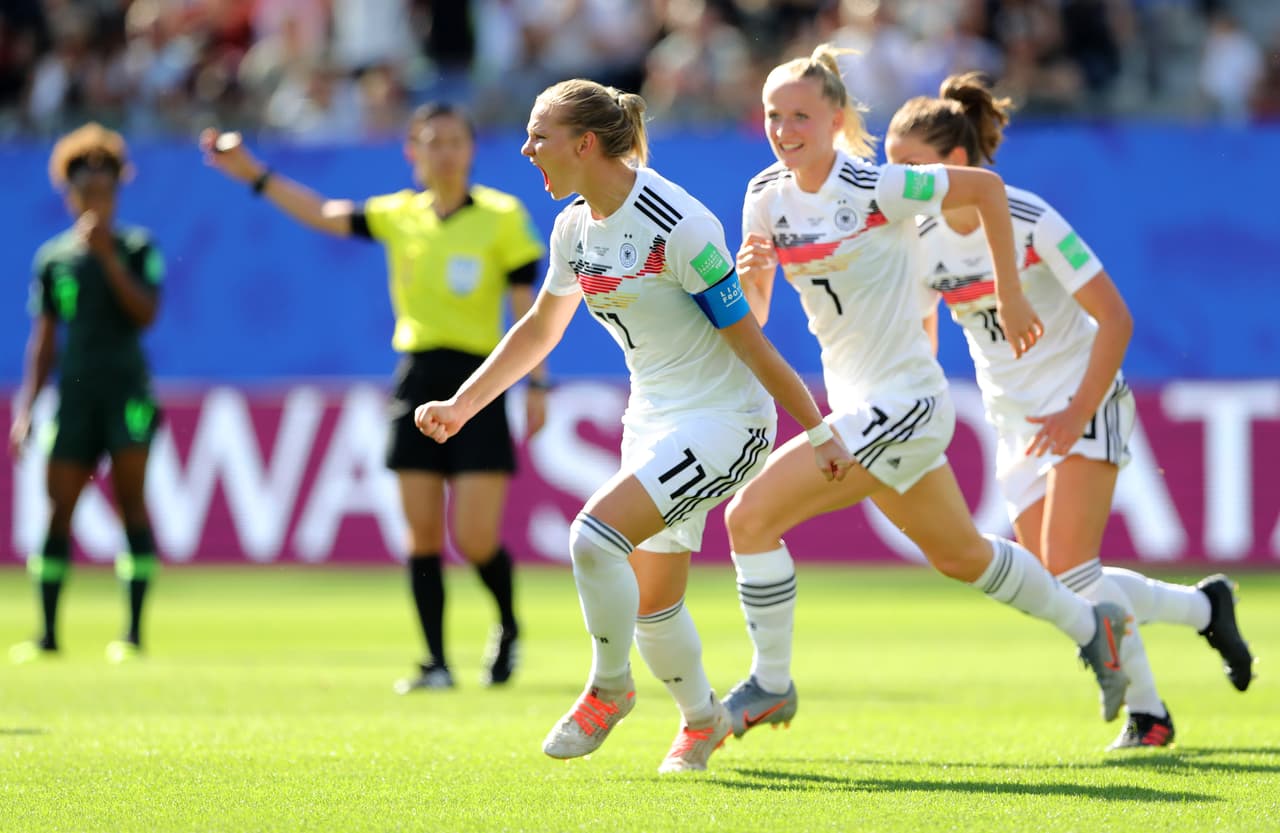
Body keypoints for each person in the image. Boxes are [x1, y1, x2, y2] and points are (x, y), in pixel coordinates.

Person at [414, 79, 853, 773]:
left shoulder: (676, 222)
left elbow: (751, 342)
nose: (526, 150)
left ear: (584, 144)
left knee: (593, 538)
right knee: (653, 607)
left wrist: (819, 432)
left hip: (726, 421)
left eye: (539, 136)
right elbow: (539, 329)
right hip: (651, 419)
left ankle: (608, 689)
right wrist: (464, 404)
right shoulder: (571, 227)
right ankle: (702, 721)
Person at [720, 45, 1134, 740]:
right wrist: (747, 277)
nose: (784, 128)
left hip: (905, 401)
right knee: (963, 555)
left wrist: (1008, 288)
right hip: (859, 403)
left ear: (837, 118)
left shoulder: (878, 185)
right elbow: (755, 315)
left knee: (748, 517)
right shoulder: (764, 197)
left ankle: (770, 683)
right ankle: (1093, 626)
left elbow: (988, 192)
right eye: (772, 115)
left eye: (800, 115)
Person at [883, 72, 1254, 749]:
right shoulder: (917, 236)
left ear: (957, 165)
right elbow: (920, 325)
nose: (895, 181)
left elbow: (1116, 320)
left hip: (1083, 397)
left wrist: (1077, 409)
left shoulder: (1029, 218)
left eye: (909, 166)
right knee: (1058, 579)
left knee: (1074, 566)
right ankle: (1205, 607)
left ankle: (1150, 714)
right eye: (889, 165)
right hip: (1014, 418)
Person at [199, 103, 547, 691]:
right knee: (422, 534)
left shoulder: (502, 216)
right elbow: (323, 213)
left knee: (475, 537)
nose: (444, 151)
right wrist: (254, 174)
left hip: (480, 379)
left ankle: (508, 626)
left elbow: (529, 311)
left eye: (455, 140)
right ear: (412, 153)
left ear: (471, 149)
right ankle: (436, 663)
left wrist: (535, 384)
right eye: (432, 141)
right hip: (416, 380)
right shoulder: (397, 214)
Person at [9, 123, 165, 665]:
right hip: (74, 397)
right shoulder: (53, 259)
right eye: (85, 187)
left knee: (132, 507)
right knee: (58, 512)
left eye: (105, 186)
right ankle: (49, 633)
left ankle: (134, 634)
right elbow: (44, 341)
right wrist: (26, 408)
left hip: (128, 392)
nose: (95, 197)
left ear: (119, 190)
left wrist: (106, 259)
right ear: (68, 191)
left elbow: (145, 314)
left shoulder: (137, 248)